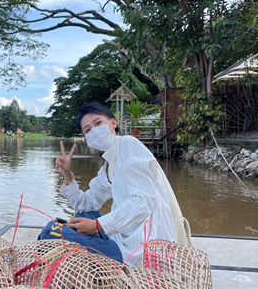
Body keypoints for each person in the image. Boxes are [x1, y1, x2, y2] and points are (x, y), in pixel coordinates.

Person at [39, 102, 192, 266]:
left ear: (113, 123)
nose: (95, 131)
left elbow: (142, 203)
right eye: (88, 130)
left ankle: (109, 263)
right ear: (86, 140)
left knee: (51, 231)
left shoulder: (128, 145)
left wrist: (98, 225)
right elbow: (85, 204)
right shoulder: (108, 166)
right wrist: (68, 175)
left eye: (98, 123)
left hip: (141, 247)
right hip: (122, 236)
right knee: (81, 217)